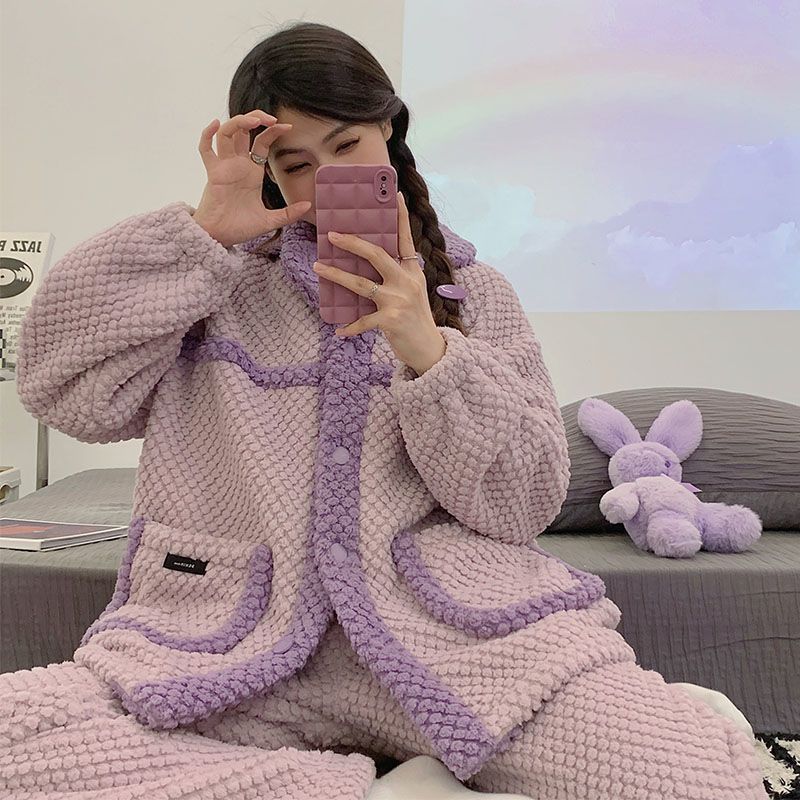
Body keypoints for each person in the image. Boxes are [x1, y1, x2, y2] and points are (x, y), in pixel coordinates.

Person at [3, 20, 767, 800]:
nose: (327, 178)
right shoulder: (211, 284)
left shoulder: (475, 293)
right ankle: (380, 790)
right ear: (266, 171)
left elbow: (523, 502)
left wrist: (429, 351)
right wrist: (199, 237)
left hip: (461, 644)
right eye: (297, 164)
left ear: (390, 130)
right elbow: (63, 391)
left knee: (697, 782)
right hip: (231, 648)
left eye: (347, 146)